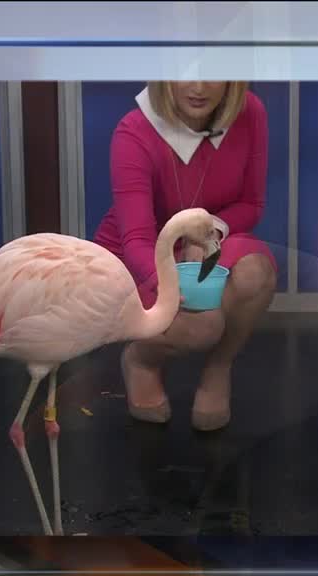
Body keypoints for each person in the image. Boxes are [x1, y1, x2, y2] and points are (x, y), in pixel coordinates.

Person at [93, 81, 277, 432]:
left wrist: (208, 232)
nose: (198, 87)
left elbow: (251, 205)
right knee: (200, 324)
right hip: (141, 255)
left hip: (205, 239)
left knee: (256, 274)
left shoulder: (250, 112)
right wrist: (168, 280)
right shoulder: (134, 130)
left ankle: (218, 368)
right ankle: (141, 361)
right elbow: (136, 239)